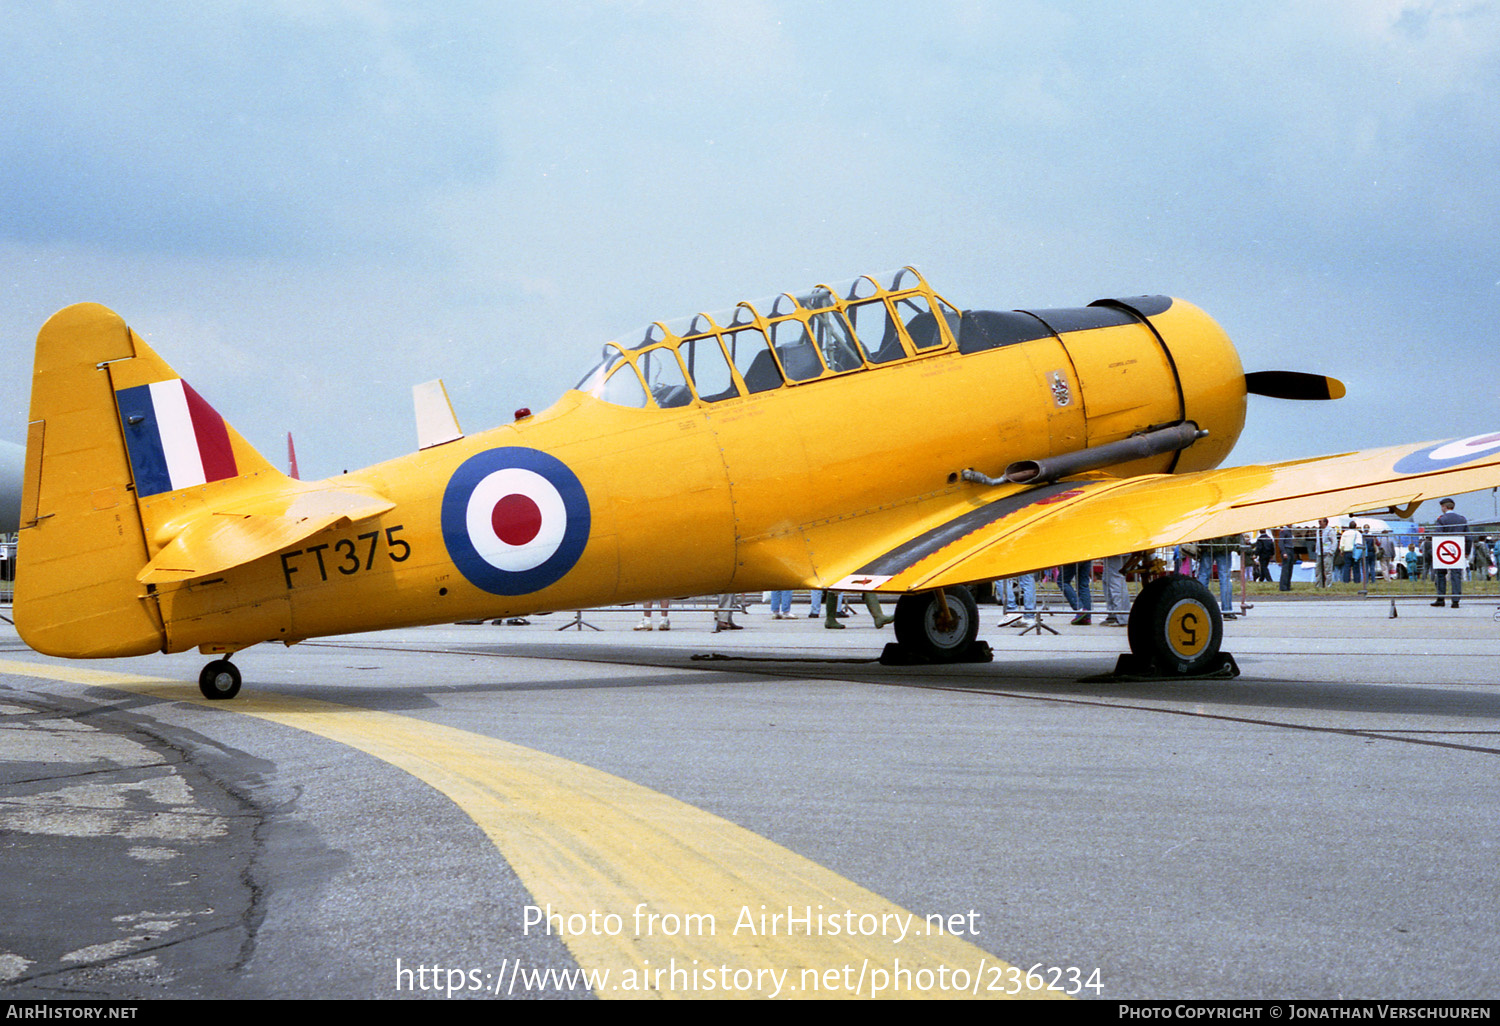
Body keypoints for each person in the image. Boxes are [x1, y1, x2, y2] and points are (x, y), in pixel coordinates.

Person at [1431, 498, 1468, 608]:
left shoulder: (1442, 519)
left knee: (1441, 574)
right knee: (1456, 575)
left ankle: (1440, 598)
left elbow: (1438, 535)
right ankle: (1455, 600)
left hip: (1443, 550)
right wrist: (1467, 551)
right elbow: (1468, 536)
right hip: (1457, 550)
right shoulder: (1462, 519)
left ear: (1444, 507)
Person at [1195, 535, 1239, 618]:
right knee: (1225, 578)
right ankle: (1227, 610)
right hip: (1224, 546)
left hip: (1207, 544)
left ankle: (1199, 607)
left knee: (1203, 576)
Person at [1059, 560, 1093, 625]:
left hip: (1072, 555)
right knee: (1083, 584)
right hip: (1087, 554)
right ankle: (1086, 617)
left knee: (1062, 581)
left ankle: (1080, 609)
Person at [1100, 554, 1128, 625]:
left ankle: (1121, 616)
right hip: (1123, 549)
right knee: (1109, 579)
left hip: (1116, 551)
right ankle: (1115, 614)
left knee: (1115, 580)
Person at [1275, 524, 1297, 591]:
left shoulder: (1290, 531)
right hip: (1286, 549)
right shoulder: (1283, 531)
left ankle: (1288, 585)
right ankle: (1283, 586)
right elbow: (1281, 542)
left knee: (1290, 569)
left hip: (1291, 549)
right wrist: (1284, 552)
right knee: (1285, 569)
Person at [1317, 518, 1336, 587]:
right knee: (1318, 570)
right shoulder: (1318, 530)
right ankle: (1319, 585)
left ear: (1325, 522)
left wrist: (1331, 551)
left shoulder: (1330, 530)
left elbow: (1334, 541)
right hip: (1319, 553)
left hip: (1327, 553)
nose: (1319, 523)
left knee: (1327, 570)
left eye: (1320, 521)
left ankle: (1328, 585)